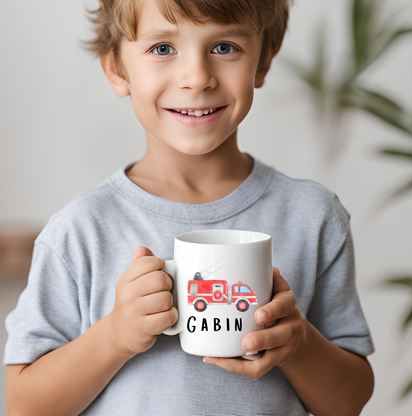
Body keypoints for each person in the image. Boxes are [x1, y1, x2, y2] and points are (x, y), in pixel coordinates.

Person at [4, 0, 375, 415]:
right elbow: (24, 405)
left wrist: (299, 346)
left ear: (264, 60)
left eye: (224, 47)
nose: (197, 78)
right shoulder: (81, 229)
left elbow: (348, 401)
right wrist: (114, 337)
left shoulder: (313, 216)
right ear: (116, 68)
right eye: (163, 49)